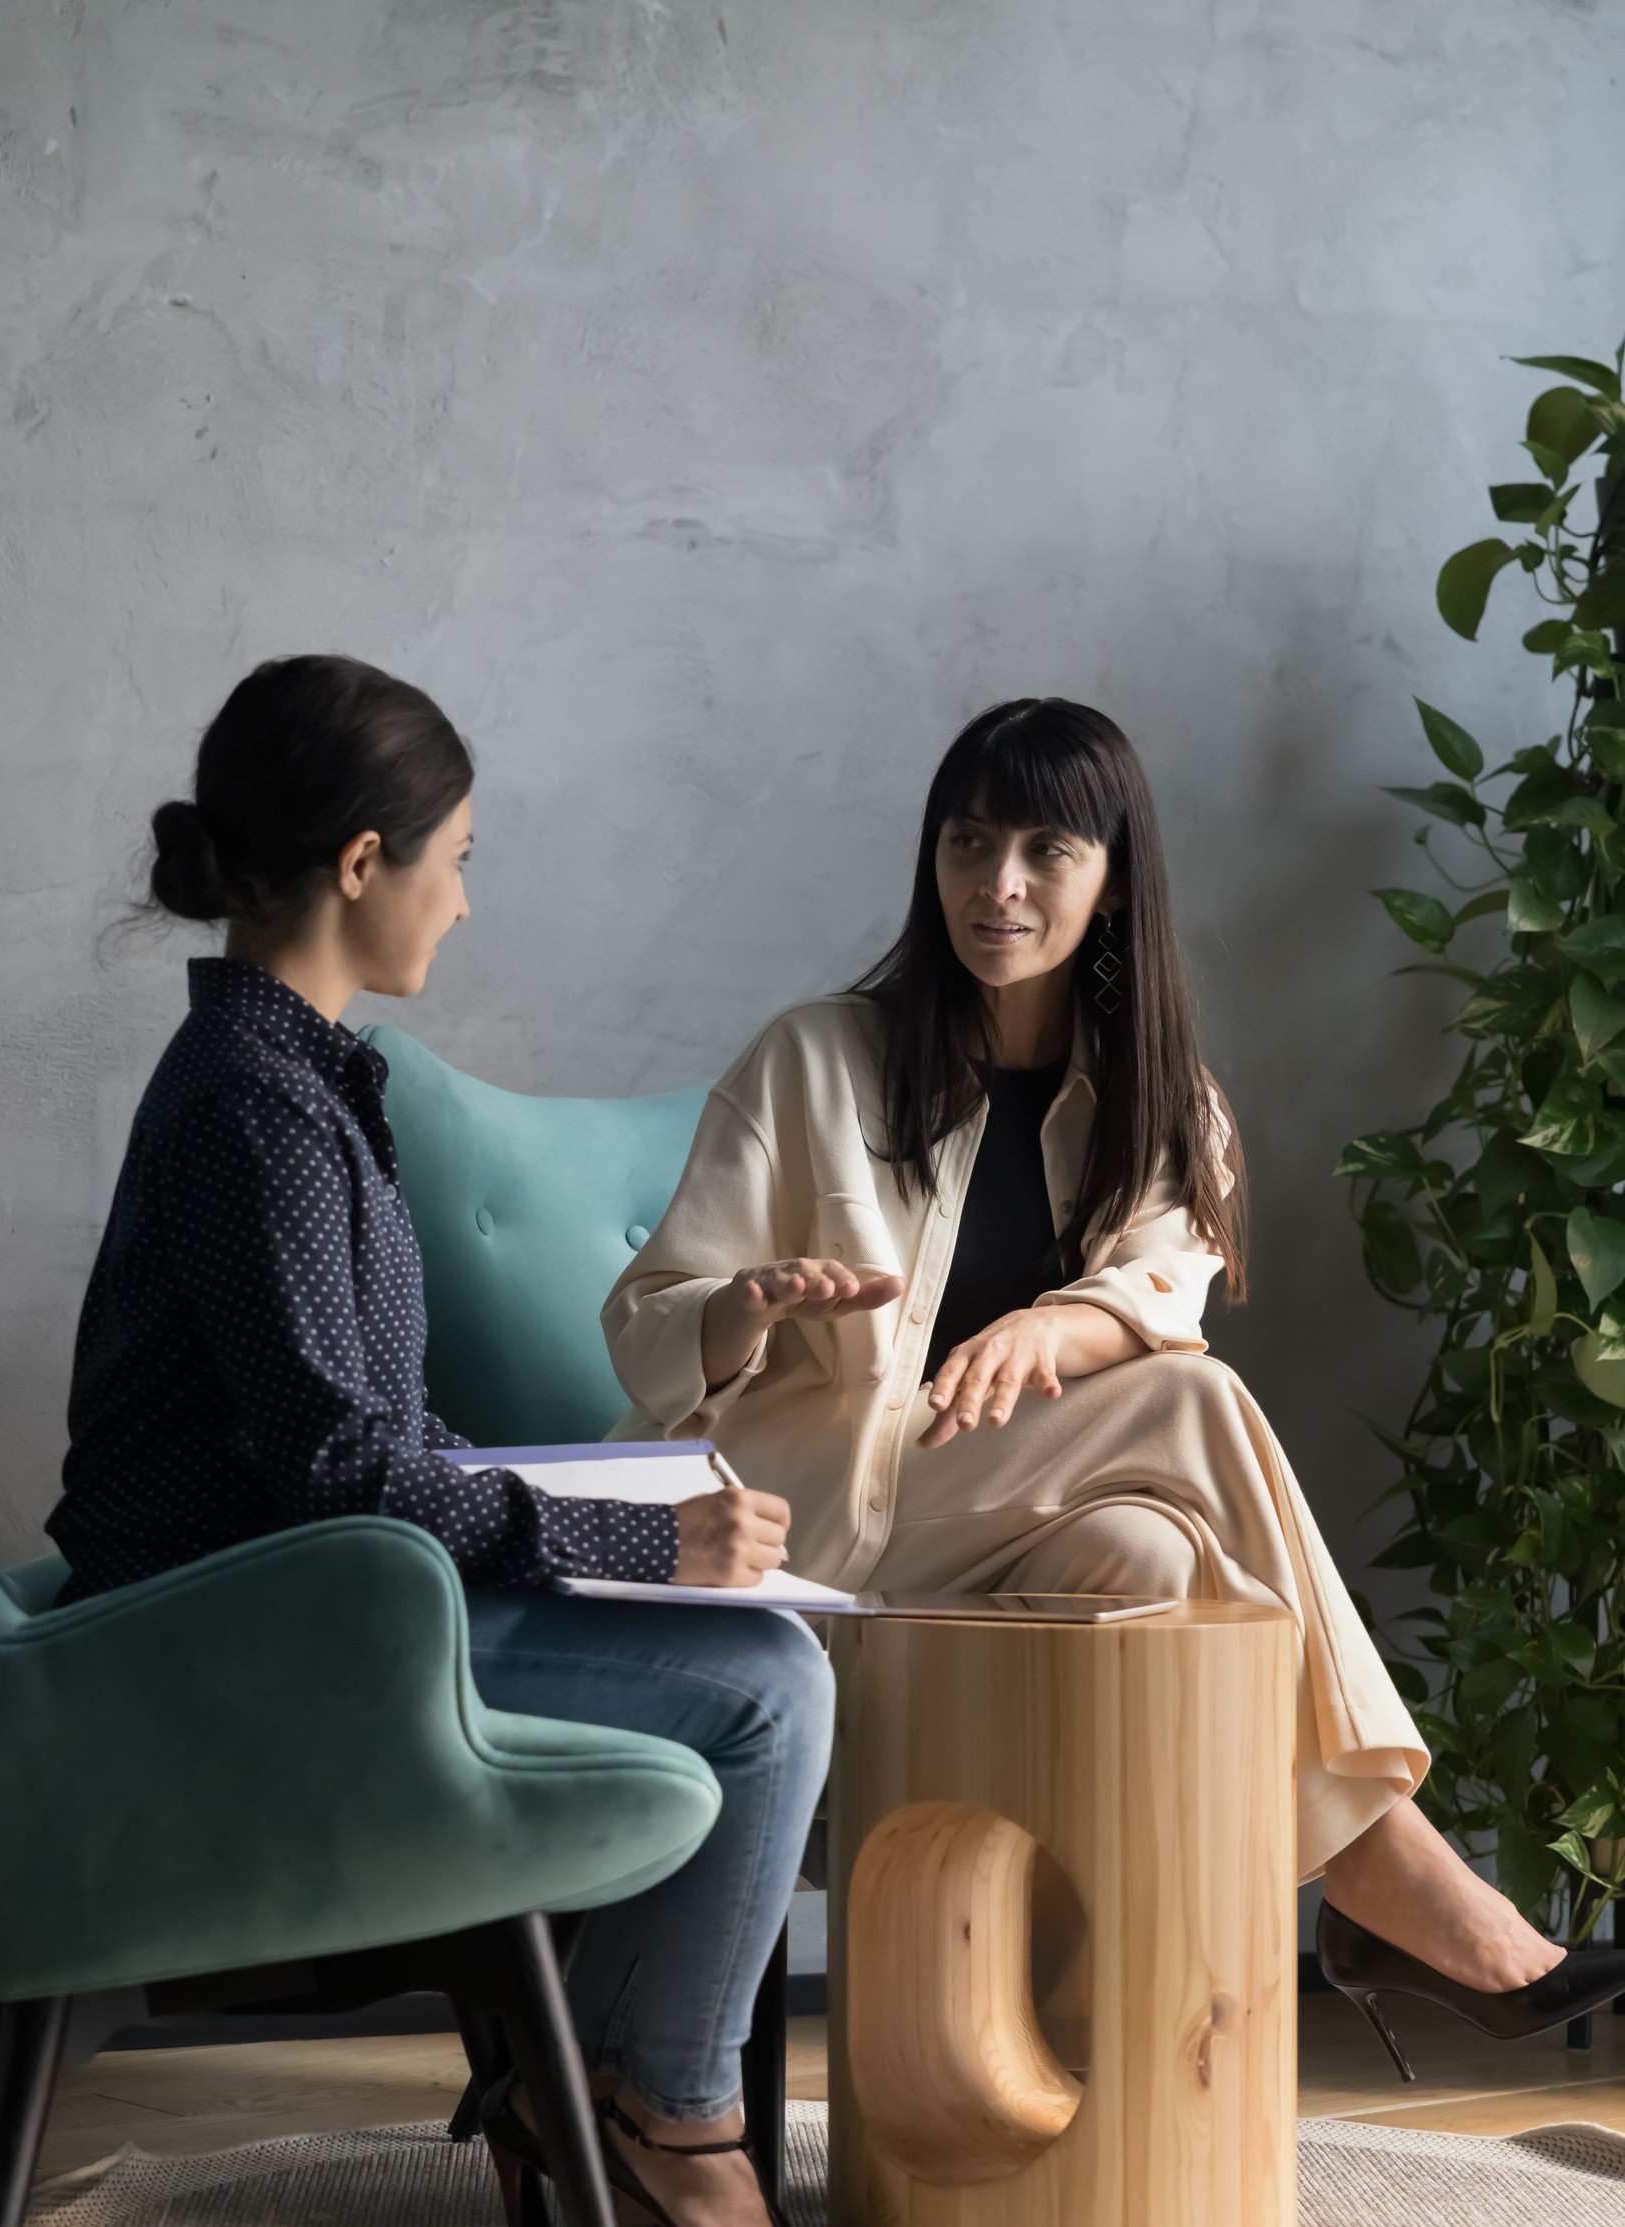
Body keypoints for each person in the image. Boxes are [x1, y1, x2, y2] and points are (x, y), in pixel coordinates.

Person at [604, 696, 1625, 2061]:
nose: (1000, 884)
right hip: (810, 1525)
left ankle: (1081, 2013)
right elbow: (646, 1328)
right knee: (1195, 1401)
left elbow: (1164, 1281)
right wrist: (746, 1307)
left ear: (1115, 877)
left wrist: (1054, 1332)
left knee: (1149, 1550)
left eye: (1044, 850)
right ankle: (1386, 1871)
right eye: (969, 843)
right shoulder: (815, 1061)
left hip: (990, 1541)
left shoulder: (1162, 1096)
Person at [47, 654, 856, 2227]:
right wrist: (630, 1532)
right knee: (769, 1683)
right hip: (245, 1636)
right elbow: (343, 1474)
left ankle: (596, 2088)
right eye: (460, 856)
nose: (466, 903)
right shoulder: (260, 1108)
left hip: (305, 1594)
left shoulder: (291, 1080)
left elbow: (363, 1444)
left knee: (756, 1656)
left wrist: (589, 1512)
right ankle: (663, 2117)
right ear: (365, 864)